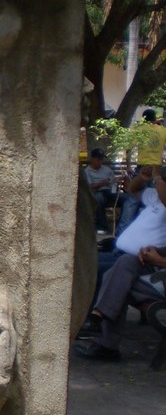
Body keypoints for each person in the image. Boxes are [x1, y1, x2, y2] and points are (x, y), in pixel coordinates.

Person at [75, 168, 166, 361]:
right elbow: (132, 189)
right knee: (118, 273)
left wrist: (158, 260)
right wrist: (153, 251)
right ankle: (100, 325)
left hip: (158, 278)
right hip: (137, 263)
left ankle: (99, 322)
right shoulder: (155, 199)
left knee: (114, 277)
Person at [84, 147, 116, 231]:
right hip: (97, 192)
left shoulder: (107, 170)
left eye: (101, 159)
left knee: (130, 198)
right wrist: (101, 183)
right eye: (98, 159)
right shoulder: (87, 171)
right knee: (98, 199)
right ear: (92, 159)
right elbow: (89, 187)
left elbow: (113, 181)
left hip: (110, 192)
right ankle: (102, 226)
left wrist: (115, 183)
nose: (100, 161)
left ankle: (121, 228)